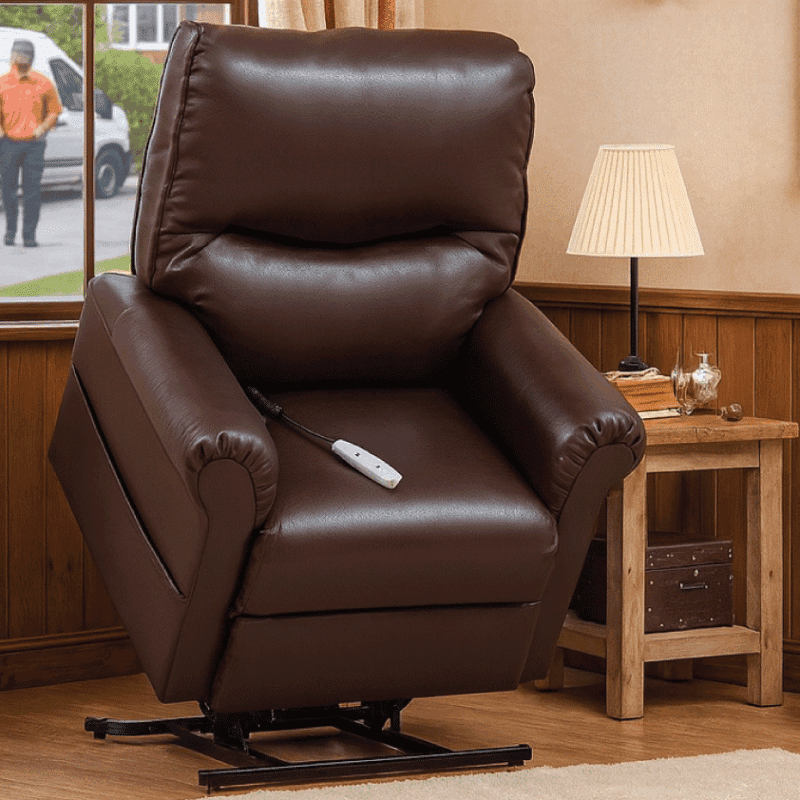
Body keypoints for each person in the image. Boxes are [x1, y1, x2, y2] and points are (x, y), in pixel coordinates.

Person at [0, 39, 62, 247]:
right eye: (15, 54)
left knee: (32, 191)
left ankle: (29, 236)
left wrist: (43, 127)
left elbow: (55, 110)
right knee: (7, 189)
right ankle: (9, 232)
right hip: (8, 143)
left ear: (30, 57)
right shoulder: (3, 82)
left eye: (22, 55)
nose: (17, 58)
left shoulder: (43, 83)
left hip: (34, 145)